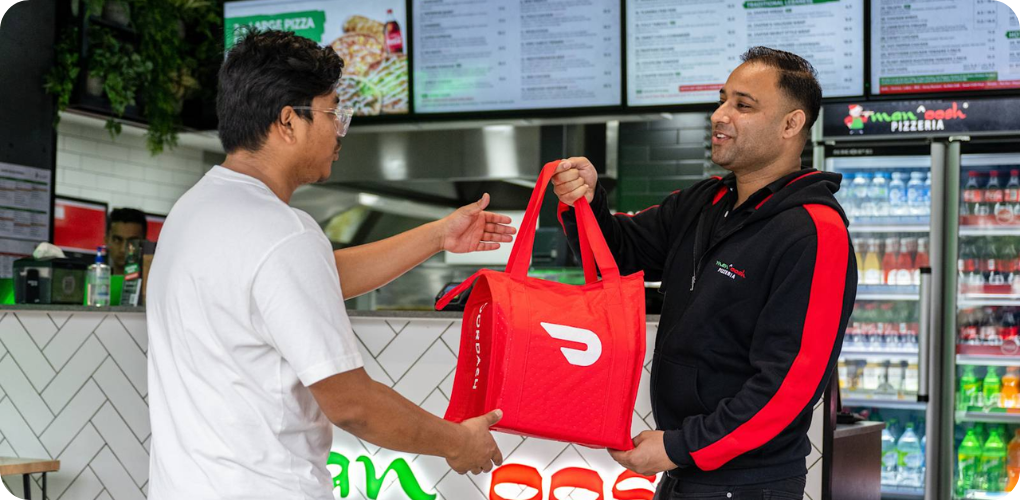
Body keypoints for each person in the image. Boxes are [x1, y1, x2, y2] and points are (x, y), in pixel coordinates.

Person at [146, 29, 515, 499]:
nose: (340, 130)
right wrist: (458, 442)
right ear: (288, 122)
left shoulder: (193, 211)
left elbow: (311, 281)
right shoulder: (281, 232)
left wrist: (438, 235)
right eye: (332, 113)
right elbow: (351, 404)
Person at [552, 47, 856, 499]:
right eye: (722, 99)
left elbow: (788, 388)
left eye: (742, 105)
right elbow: (614, 257)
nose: (719, 114)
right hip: (685, 473)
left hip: (748, 483)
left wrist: (679, 446)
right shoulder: (703, 203)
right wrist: (584, 201)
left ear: (792, 125)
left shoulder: (814, 232)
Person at [105, 207, 147, 274]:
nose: (123, 249)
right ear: (106, 240)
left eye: (132, 241)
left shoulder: (153, 283)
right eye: (117, 240)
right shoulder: (94, 281)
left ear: (143, 244)